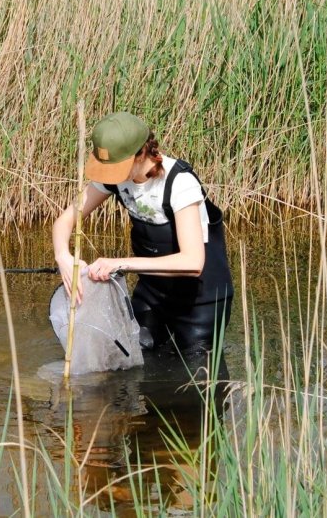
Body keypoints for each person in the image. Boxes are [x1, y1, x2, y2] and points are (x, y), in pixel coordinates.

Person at [52, 112, 234, 356]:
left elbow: (193, 262)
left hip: (201, 301)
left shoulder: (180, 183)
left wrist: (119, 263)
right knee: (130, 359)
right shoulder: (115, 180)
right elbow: (64, 221)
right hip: (153, 293)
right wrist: (63, 256)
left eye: (116, 168)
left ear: (141, 153)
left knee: (193, 381)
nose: (110, 176)